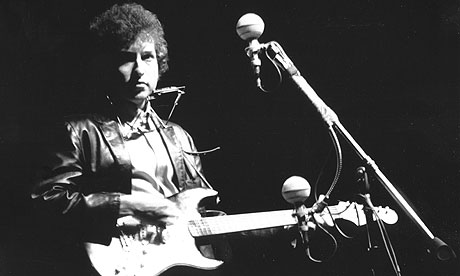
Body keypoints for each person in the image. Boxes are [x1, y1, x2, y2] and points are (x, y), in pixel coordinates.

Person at [31, 3, 228, 276]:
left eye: (147, 57)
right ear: (106, 66)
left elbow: (199, 220)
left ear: (160, 63)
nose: (139, 69)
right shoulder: (78, 130)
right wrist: (133, 205)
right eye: (126, 58)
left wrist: (278, 226)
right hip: (114, 263)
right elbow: (46, 200)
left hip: (178, 265)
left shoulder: (180, 137)